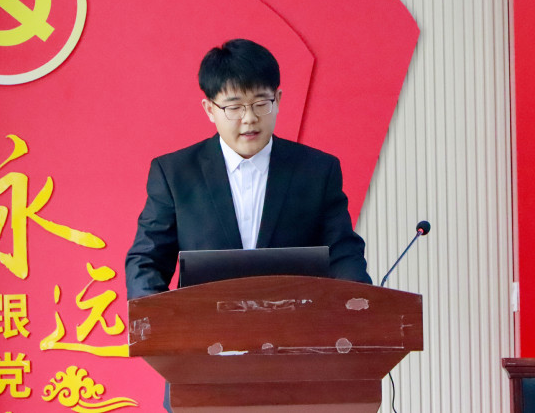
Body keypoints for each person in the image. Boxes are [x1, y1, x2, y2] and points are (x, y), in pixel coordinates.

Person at [125, 38, 371, 411]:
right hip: (202, 365)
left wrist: (361, 308)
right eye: (234, 106)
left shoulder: (317, 170)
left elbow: (342, 251)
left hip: (298, 361)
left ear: (278, 99)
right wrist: (163, 329)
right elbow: (146, 258)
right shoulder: (175, 173)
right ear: (210, 108)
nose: (249, 118)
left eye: (260, 103)